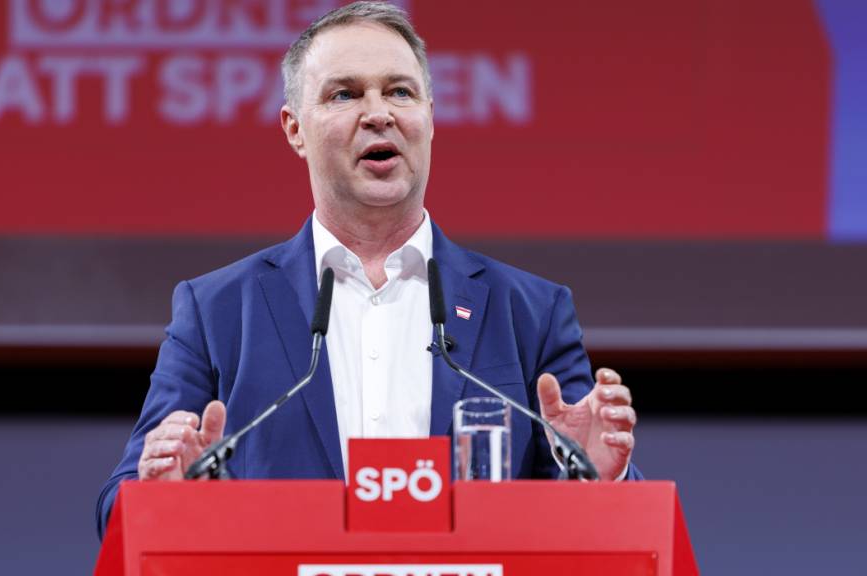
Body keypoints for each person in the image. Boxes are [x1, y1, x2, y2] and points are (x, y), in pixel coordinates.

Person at [96, 1, 639, 538]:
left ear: (429, 115)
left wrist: (597, 476)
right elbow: (119, 508)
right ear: (294, 130)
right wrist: (160, 496)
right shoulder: (216, 311)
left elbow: (610, 529)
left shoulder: (531, 311)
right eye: (345, 94)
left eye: (400, 91)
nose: (378, 112)